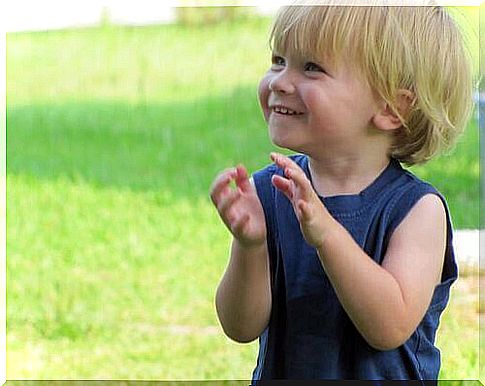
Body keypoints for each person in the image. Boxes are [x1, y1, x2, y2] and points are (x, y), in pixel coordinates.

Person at [209, 3, 473, 381]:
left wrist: (327, 234)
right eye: (279, 60)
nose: (280, 82)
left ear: (390, 108)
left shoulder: (416, 211)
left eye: (311, 67)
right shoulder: (270, 192)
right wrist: (250, 245)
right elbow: (240, 326)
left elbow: (389, 327)